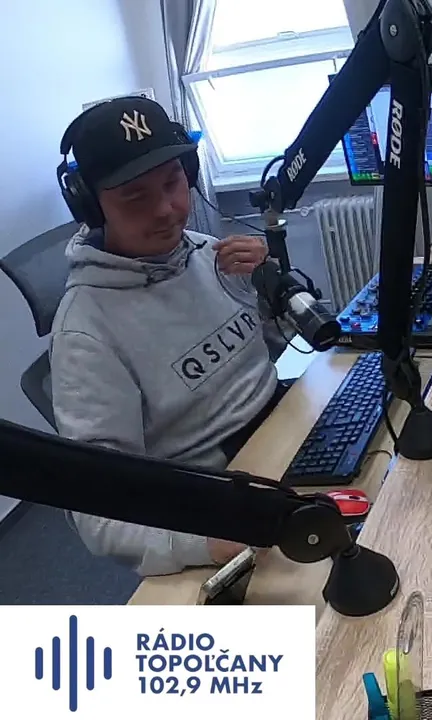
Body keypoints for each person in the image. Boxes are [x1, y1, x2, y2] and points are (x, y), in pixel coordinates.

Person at [50, 96, 281, 577]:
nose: (166, 210)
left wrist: (269, 285)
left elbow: (273, 348)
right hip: (217, 499)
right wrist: (203, 542)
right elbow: (96, 512)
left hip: (285, 435)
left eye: (173, 183)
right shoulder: (84, 332)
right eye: (135, 197)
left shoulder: (207, 253)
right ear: (91, 206)